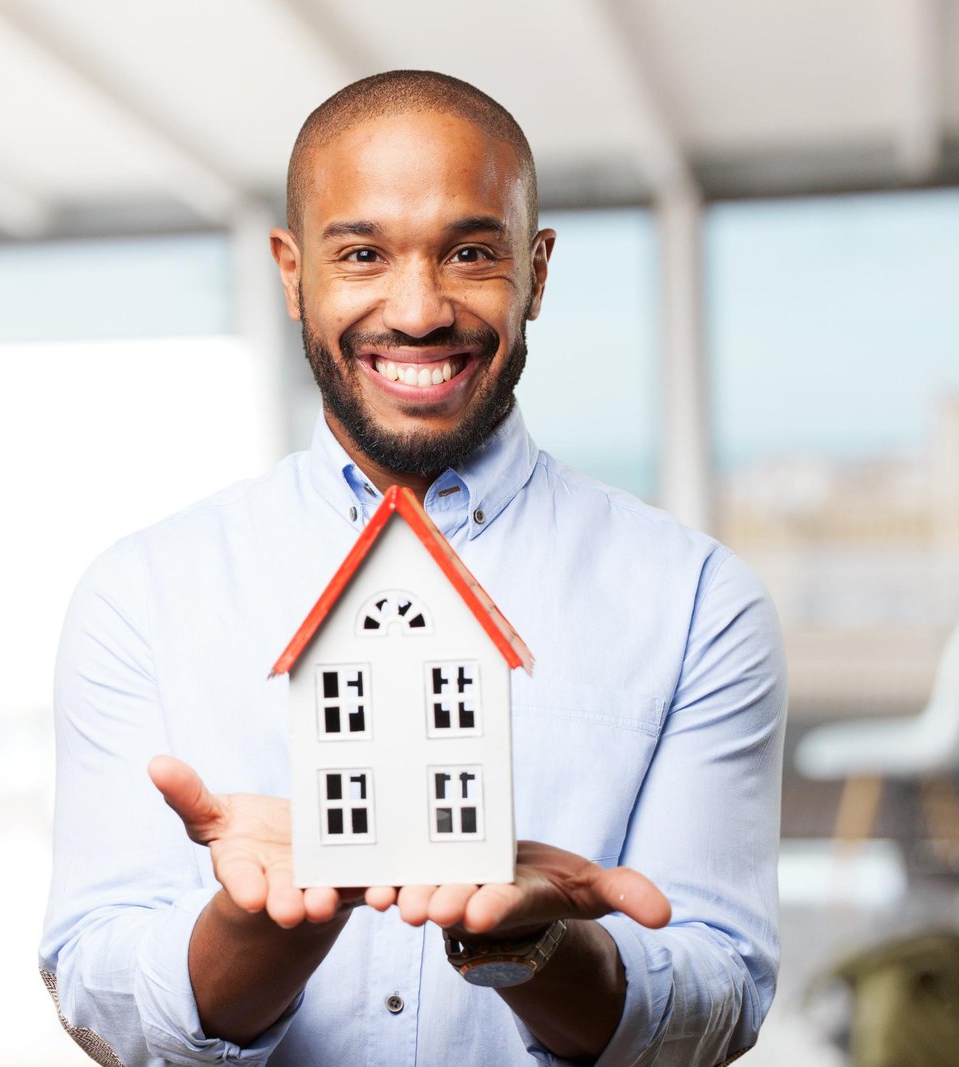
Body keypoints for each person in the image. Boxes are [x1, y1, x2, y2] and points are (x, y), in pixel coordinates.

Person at [40, 70, 787, 1066]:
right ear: (291, 270)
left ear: (537, 268)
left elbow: (718, 998)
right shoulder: (141, 593)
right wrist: (271, 925)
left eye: (471, 252)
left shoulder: (698, 600)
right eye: (362, 253)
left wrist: (536, 946)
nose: (420, 309)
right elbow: (97, 986)